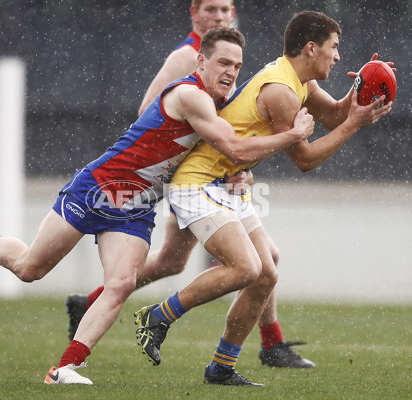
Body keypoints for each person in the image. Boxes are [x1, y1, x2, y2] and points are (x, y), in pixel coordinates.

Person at [0, 27, 314, 385]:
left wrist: (240, 175)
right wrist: (293, 136)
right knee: (31, 268)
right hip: (97, 188)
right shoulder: (191, 95)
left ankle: (64, 368)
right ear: (201, 62)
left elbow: (227, 157)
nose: (231, 72)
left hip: (137, 206)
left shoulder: (223, 105)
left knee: (122, 283)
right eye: (223, 63)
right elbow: (232, 146)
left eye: (237, 66)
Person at [134, 10, 393, 386]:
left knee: (266, 272)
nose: (338, 57)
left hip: (226, 182)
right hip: (197, 184)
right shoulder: (282, 91)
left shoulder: (298, 81)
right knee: (245, 269)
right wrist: (354, 123)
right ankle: (158, 316)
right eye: (334, 48)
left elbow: (337, 116)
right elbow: (305, 159)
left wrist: (364, 90)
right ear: (310, 48)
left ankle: (221, 367)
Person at [66, 0, 316, 370]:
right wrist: (202, 157)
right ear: (194, 13)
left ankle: (89, 301)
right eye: (211, 9)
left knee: (171, 262)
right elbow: (149, 112)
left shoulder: (226, 58)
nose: (219, 16)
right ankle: (270, 343)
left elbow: (231, 126)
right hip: (182, 176)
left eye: (226, 10)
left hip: (206, 173)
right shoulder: (186, 57)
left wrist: (236, 166)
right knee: (261, 262)